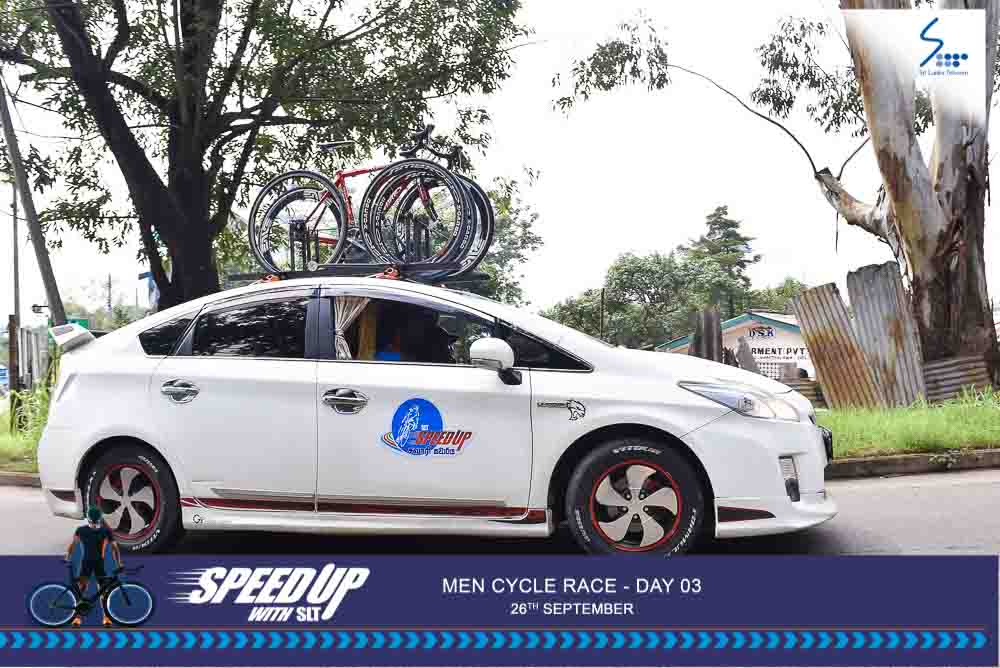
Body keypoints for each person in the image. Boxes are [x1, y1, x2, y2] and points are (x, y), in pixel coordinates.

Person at [65, 505, 121, 626]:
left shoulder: (86, 530)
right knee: (92, 590)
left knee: (93, 590)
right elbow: (114, 548)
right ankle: (84, 617)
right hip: (92, 562)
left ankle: (100, 617)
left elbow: (73, 545)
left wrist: (67, 558)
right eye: (94, 522)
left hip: (91, 562)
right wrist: (118, 563)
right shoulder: (101, 531)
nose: (94, 525)